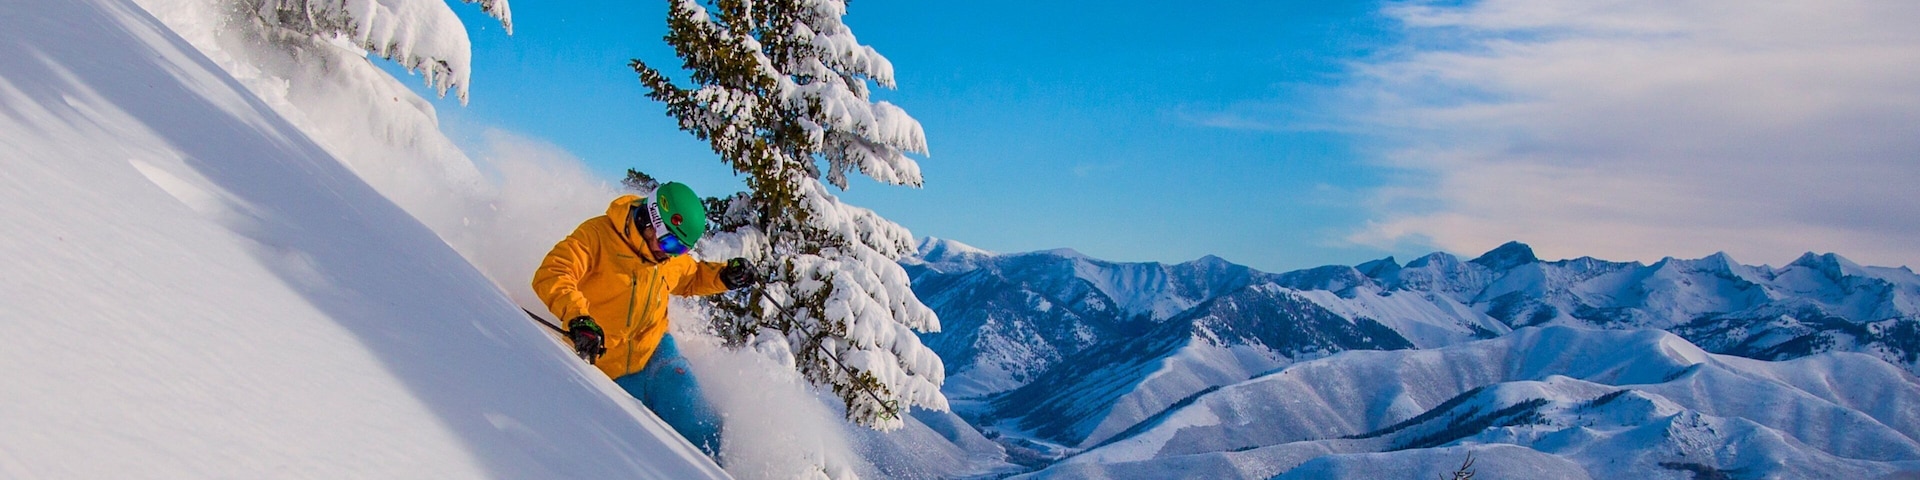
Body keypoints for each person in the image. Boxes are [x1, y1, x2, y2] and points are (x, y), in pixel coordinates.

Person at [532, 181, 757, 458]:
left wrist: (724, 276)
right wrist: (579, 318)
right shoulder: (598, 236)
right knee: (638, 448)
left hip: (656, 350)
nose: (670, 254)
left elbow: (691, 276)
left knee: (700, 427)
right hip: (607, 365)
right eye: (670, 243)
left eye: (680, 249)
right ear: (651, 220)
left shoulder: (665, 257)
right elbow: (553, 272)